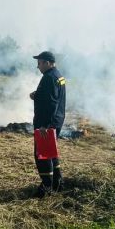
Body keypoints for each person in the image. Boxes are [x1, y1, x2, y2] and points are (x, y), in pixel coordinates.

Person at [29, 50, 66, 197]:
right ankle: (58, 182)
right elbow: (53, 97)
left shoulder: (49, 78)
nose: (38, 66)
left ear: (48, 63)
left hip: (47, 123)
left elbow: (51, 103)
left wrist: (45, 125)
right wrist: (37, 95)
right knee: (51, 152)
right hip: (56, 120)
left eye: (39, 63)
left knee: (42, 155)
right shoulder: (58, 76)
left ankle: (46, 188)